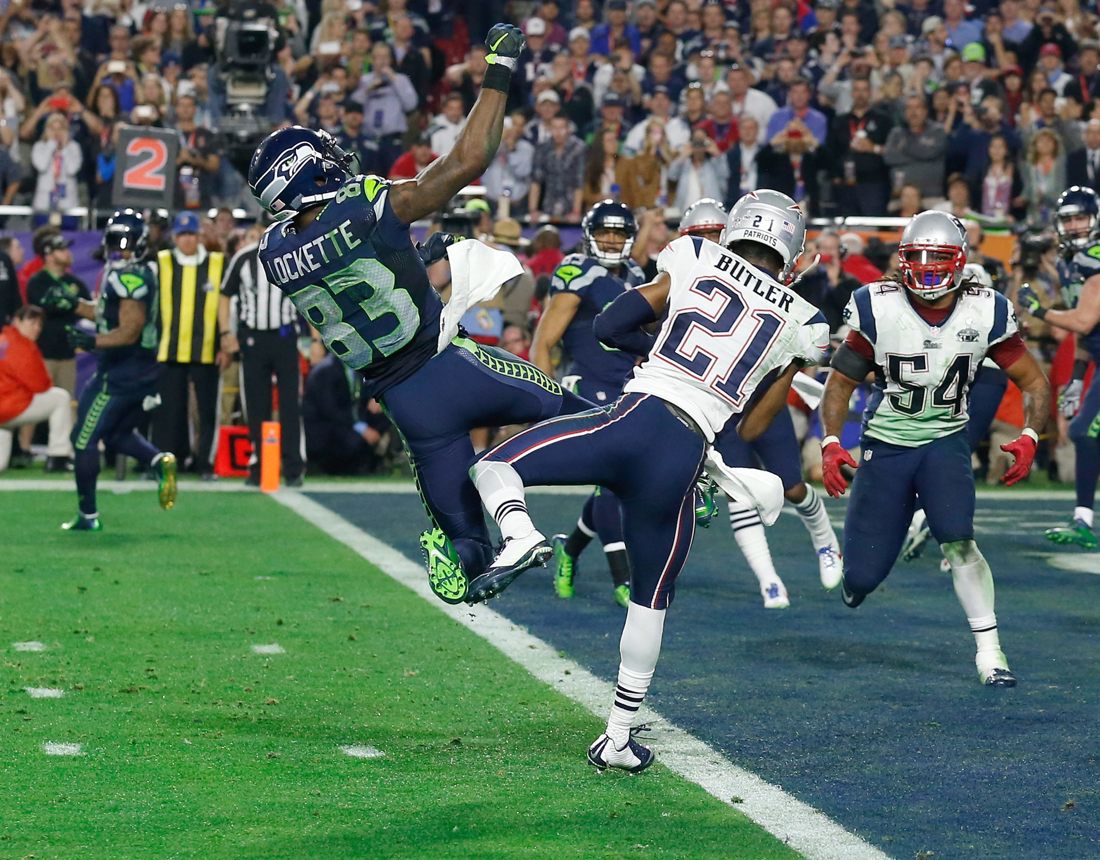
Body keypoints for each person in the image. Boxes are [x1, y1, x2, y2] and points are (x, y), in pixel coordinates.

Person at [467, 190, 829, 771]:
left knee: (493, 465)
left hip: (635, 418)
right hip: (686, 454)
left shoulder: (696, 255)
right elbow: (756, 424)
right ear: (789, 248)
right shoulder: (805, 320)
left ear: (736, 228)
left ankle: (519, 535)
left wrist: (661, 347)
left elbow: (611, 324)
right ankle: (617, 738)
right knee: (651, 601)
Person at [249, 24, 589, 606]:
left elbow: (356, 279)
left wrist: (416, 260)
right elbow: (467, 159)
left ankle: (472, 554)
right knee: (587, 419)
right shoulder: (364, 204)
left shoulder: (273, 253)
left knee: (468, 545)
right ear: (308, 171)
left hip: (403, 403)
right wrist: (500, 69)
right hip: (448, 367)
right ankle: (678, 472)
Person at [821, 211, 1051, 686]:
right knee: (861, 578)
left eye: (937, 257)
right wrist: (830, 441)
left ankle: (991, 653)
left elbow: (1033, 381)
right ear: (902, 259)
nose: (926, 267)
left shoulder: (985, 309)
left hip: (945, 440)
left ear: (960, 261)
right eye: (917, 256)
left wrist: (1030, 435)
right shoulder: (876, 305)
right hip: (886, 447)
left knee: (959, 539)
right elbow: (841, 382)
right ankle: (862, 567)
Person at [679, 199, 843, 608]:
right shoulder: (686, 277)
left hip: (763, 395)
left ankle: (825, 539)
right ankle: (769, 580)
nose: (710, 244)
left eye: (716, 235)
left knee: (792, 486)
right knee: (739, 492)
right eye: (701, 237)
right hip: (718, 403)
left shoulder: (777, 289)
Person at [531, 201, 646, 608]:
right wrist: (544, 400)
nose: (611, 240)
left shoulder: (636, 274)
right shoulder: (576, 270)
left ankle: (570, 549)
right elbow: (544, 340)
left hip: (627, 385)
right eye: (604, 232)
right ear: (589, 235)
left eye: (619, 232)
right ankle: (623, 579)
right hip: (586, 384)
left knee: (615, 483)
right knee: (612, 481)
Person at [62, 210, 177, 531]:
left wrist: (92, 341)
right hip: (139, 369)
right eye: (115, 241)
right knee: (116, 434)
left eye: (126, 242)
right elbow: (107, 312)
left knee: (83, 441)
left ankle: (88, 516)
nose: (120, 249)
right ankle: (157, 461)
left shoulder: (130, 277)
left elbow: (129, 330)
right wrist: (72, 303)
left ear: (140, 244)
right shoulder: (130, 271)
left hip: (120, 374)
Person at [1017, 187, 1100, 550]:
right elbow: (1087, 335)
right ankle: (1082, 519)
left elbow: (1083, 321)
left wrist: (1038, 310)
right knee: (1084, 432)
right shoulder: (1071, 262)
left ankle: (1083, 519)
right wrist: (1077, 379)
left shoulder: (1093, 259)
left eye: (1082, 218)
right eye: (1070, 219)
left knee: (1084, 431)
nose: (1076, 226)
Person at [218, 233, 306, 488]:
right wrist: (226, 333)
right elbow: (224, 295)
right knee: (256, 405)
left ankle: (293, 467)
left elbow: (310, 294)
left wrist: (315, 336)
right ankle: (258, 464)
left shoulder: (293, 254)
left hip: (285, 336)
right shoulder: (243, 259)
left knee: (290, 404)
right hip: (253, 338)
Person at [152, 211, 228, 480]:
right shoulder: (161, 262)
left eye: (191, 234)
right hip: (169, 349)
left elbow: (227, 305)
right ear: (174, 237)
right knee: (168, 410)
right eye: (182, 234)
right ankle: (168, 461)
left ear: (199, 236)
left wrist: (225, 343)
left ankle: (204, 462)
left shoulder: (218, 263)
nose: (186, 240)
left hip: (207, 349)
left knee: (207, 411)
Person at [25, 233, 89, 429]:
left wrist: (65, 305)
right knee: (34, 401)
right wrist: (70, 306)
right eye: (61, 249)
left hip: (67, 353)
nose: (67, 253)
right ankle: (25, 445)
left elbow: (88, 309)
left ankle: (67, 444)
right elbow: (44, 309)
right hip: (42, 352)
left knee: (68, 402)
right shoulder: (37, 281)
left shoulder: (74, 283)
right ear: (49, 255)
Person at [0, 305, 73, 471]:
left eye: (39, 324)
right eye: (32, 322)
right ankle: (58, 457)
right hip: (10, 407)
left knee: (0, 464)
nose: (37, 328)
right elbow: (39, 386)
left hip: (5, 407)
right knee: (60, 397)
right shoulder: (21, 345)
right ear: (17, 321)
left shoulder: (3, 340)